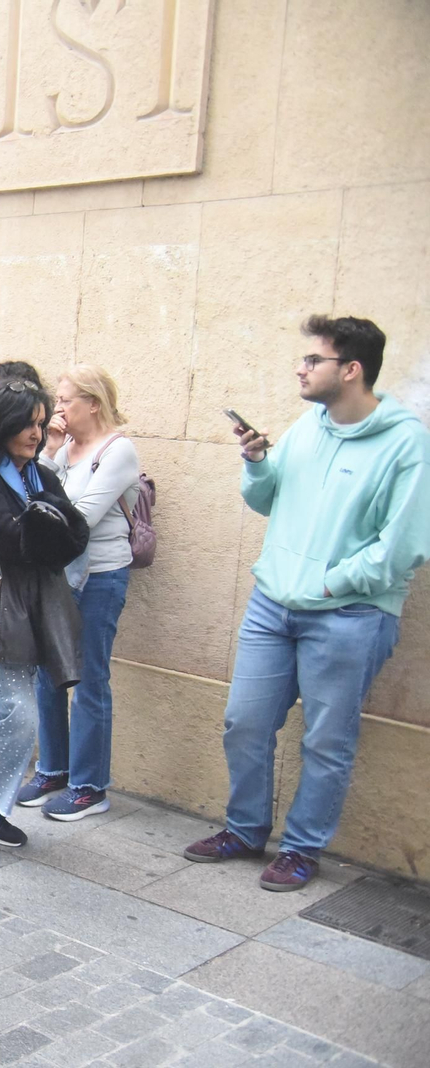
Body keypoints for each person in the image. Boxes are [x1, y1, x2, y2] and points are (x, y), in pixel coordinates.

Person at [184, 315, 430, 891]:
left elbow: (404, 546)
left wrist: (329, 584)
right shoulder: (309, 425)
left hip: (350, 615)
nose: (301, 368)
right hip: (272, 605)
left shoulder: (407, 443)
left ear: (351, 370)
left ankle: (301, 848)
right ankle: (246, 830)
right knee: (244, 722)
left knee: (326, 739)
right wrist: (257, 462)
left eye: (313, 360)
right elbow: (268, 499)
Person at [0, 379, 88, 857]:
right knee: (17, 712)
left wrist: (44, 529)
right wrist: (45, 528)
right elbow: (12, 539)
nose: (36, 433)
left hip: (29, 612)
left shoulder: (39, 475)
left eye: (41, 424)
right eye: (26, 424)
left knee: (3, 712)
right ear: (0, 424)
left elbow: (74, 537)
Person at [18, 364, 140, 821]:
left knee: (88, 679)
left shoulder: (117, 450)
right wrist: (49, 450)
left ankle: (90, 786)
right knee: (47, 673)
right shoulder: (64, 448)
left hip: (100, 577)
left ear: (93, 402)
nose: (58, 408)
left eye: (66, 400)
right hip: (58, 574)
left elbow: (80, 517)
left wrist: (40, 511)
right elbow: (30, 495)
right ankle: (53, 770)